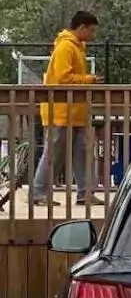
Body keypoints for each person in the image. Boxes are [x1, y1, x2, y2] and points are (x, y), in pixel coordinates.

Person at [33, 11, 101, 206]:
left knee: (83, 152)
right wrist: (89, 80)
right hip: (61, 111)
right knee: (54, 153)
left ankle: (85, 193)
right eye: (92, 30)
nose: (93, 35)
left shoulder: (79, 48)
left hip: (76, 112)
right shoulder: (65, 47)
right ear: (82, 28)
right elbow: (63, 78)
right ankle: (39, 194)